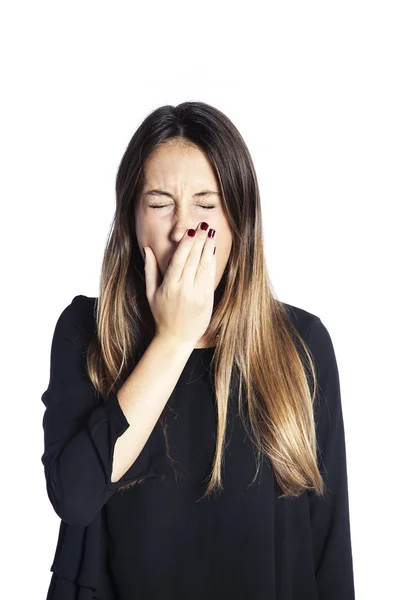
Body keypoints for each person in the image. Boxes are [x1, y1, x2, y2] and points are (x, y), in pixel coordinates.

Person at [40, 101, 355, 599]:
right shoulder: (86, 330)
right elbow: (74, 496)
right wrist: (174, 337)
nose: (183, 228)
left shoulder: (301, 344)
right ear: (131, 219)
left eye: (206, 206)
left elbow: (330, 555)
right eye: (160, 203)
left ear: (238, 221)